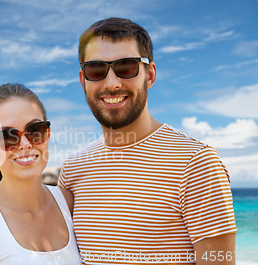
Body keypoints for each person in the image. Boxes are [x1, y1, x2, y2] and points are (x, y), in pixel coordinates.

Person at [58, 17, 237, 264]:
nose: (112, 83)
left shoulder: (196, 163)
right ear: (83, 81)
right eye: (96, 69)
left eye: (126, 67)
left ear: (149, 75)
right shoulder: (73, 170)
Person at [0, 83, 82, 265]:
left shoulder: (70, 204)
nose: (25, 144)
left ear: (48, 133)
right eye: (7, 136)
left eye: (35, 130)